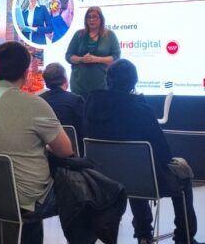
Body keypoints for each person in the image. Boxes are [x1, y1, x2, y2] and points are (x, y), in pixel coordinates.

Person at [85, 59, 201, 244]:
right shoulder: (140, 109)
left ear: (108, 80)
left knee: (132, 170)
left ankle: (143, 234)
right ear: (134, 82)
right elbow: (164, 154)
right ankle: (184, 237)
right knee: (181, 174)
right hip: (139, 178)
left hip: (105, 181)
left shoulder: (91, 107)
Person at [0, 41, 73, 244]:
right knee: (78, 191)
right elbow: (65, 150)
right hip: (23, 199)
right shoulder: (34, 104)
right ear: (26, 72)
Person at [65, 6, 121, 99]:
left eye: (94, 17)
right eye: (89, 17)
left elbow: (116, 57)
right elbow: (68, 56)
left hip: (101, 85)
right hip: (78, 86)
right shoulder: (79, 34)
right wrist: (81, 59)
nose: (91, 20)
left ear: (101, 19)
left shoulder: (110, 35)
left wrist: (96, 59)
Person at [40, 62, 85, 149]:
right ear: (65, 79)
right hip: (73, 155)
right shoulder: (76, 100)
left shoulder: (39, 100)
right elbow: (83, 132)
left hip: (45, 154)